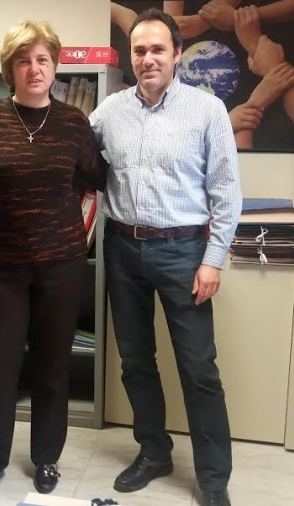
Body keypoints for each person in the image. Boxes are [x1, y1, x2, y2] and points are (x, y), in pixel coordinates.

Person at [89, 8, 241, 506]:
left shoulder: (207, 110)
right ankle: (154, 453)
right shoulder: (108, 111)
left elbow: (226, 192)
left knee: (199, 369)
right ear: (130, 56)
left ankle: (213, 479)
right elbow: (75, 156)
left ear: (177, 54)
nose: (148, 58)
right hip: (123, 249)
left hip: (185, 252)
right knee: (135, 362)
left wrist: (213, 259)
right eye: (139, 50)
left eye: (158, 49)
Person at [0, 20, 107, 499]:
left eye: (42, 59)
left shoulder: (74, 123)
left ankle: (46, 458)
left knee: (50, 366)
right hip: (1, 268)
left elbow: (96, 178)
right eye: (23, 60)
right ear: (10, 69)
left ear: (55, 66)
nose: (34, 69)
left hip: (62, 265)